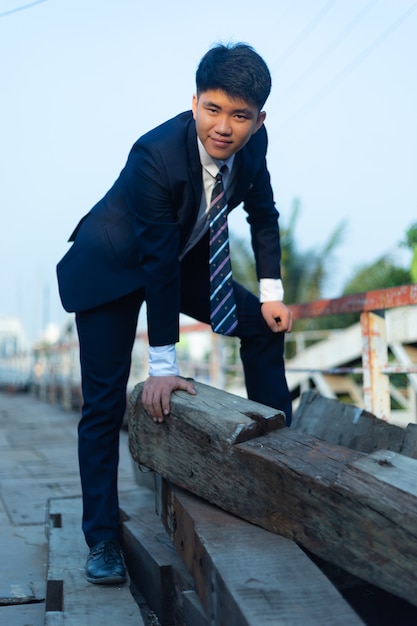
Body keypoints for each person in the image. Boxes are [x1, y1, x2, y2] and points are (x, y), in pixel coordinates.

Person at [56, 42, 293, 585]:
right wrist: (162, 368)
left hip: (176, 259)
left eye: (240, 115)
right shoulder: (155, 154)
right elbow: (157, 265)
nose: (224, 127)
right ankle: (103, 540)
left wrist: (273, 291)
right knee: (101, 404)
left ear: (259, 118)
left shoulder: (254, 147)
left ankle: (281, 458)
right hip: (111, 268)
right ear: (193, 102)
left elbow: (264, 214)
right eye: (213, 109)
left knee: (263, 323)